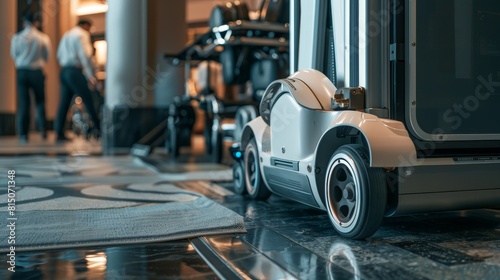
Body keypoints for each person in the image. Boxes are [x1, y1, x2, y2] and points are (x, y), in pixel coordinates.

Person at [54, 19, 101, 141]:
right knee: (89, 100)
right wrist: (91, 76)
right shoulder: (82, 34)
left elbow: (59, 54)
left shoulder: (67, 34)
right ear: (85, 26)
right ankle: (99, 129)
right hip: (75, 71)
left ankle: (59, 132)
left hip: (64, 71)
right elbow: (84, 55)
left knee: (64, 103)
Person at [10, 12, 51, 143]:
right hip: (36, 71)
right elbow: (46, 55)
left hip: (22, 72)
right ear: (36, 22)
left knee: (24, 103)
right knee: (40, 102)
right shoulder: (42, 38)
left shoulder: (16, 38)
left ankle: (23, 134)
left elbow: (14, 55)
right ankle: (43, 130)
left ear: (23, 22)